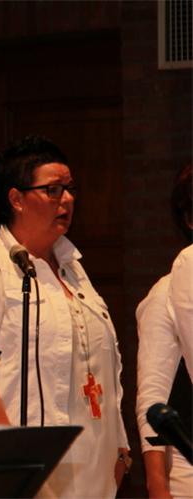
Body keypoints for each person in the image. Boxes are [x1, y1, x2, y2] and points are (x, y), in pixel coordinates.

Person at [0, 135, 130, 497]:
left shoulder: (74, 270)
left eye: (70, 189)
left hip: (92, 471)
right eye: (53, 190)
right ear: (16, 199)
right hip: (16, 471)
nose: (68, 199)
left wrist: (120, 449)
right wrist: (17, 465)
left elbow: (105, 366)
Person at [136, 164, 193, 499]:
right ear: (189, 219)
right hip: (187, 469)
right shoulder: (166, 291)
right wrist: (157, 484)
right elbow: (152, 395)